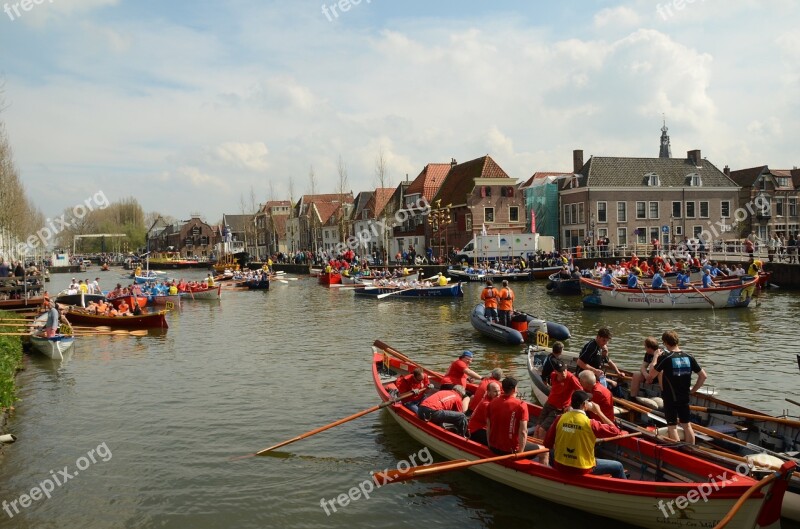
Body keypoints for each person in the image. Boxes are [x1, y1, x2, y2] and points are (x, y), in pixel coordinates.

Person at [544, 391, 626, 479]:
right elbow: (615, 431)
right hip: (582, 469)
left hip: (560, 465)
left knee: (552, 453)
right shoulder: (591, 423)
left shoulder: (559, 419)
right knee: (618, 466)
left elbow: (547, 443)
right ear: (584, 405)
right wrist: (599, 412)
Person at [646, 330, 707, 445]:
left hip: (670, 398)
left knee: (672, 427)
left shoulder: (666, 357)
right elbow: (703, 376)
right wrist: (693, 391)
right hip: (684, 397)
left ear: (665, 343)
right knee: (687, 425)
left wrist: (655, 357)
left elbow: (651, 375)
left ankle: (678, 450)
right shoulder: (689, 357)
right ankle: (691, 451)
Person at [487, 377, 543, 459]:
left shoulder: (492, 403)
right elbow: (523, 432)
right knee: (544, 451)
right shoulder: (521, 405)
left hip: (493, 448)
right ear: (514, 389)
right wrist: (520, 453)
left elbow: (488, 427)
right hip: (511, 451)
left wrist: (489, 445)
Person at [533, 359, 582, 440]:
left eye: (564, 370)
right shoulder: (553, 375)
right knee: (537, 428)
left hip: (558, 409)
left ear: (566, 368)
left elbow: (580, 392)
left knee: (542, 430)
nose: (563, 373)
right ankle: (534, 448)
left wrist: (570, 405)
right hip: (548, 404)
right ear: (555, 371)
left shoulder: (572, 379)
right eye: (560, 371)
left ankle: (543, 450)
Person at [467, 381, 500, 445]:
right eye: (495, 392)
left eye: (499, 391)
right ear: (488, 392)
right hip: (475, 430)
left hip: (483, 427)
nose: (498, 394)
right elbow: (492, 424)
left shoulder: (491, 398)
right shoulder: (486, 404)